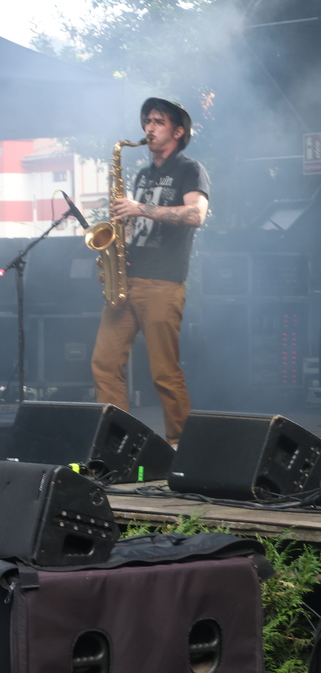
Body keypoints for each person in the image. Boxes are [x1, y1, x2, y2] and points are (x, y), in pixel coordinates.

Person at [91, 98, 210, 447]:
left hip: (162, 282)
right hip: (126, 282)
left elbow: (196, 214)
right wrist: (117, 243)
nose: (149, 127)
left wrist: (140, 207)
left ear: (178, 131)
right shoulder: (143, 175)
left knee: (164, 372)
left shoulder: (190, 169)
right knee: (104, 363)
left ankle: (180, 445)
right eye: (147, 121)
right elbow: (137, 225)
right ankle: (117, 444)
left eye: (158, 121)